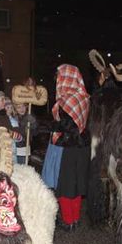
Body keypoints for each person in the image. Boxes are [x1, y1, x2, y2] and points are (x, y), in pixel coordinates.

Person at [50, 65, 90, 232]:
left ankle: (68, 221)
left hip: (67, 147)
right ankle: (75, 218)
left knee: (66, 184)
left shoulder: (65, 101)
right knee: (78, 183)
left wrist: (54, 125)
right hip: (82, 146)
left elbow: (66, 126)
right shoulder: (84, 98)